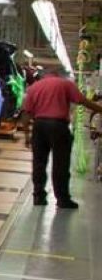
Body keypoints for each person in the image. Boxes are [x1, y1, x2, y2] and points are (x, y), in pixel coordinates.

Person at [18, 67, 102, 208]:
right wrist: (100, 109)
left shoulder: (34, 87)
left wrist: (27, 135)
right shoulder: (65, 84)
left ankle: (38, 196)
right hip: (58, 126)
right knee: (60, 163)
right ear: (58, 75)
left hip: (39, 126)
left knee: (38, 163)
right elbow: (82, 101)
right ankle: (62, 199)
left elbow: (26, 114)